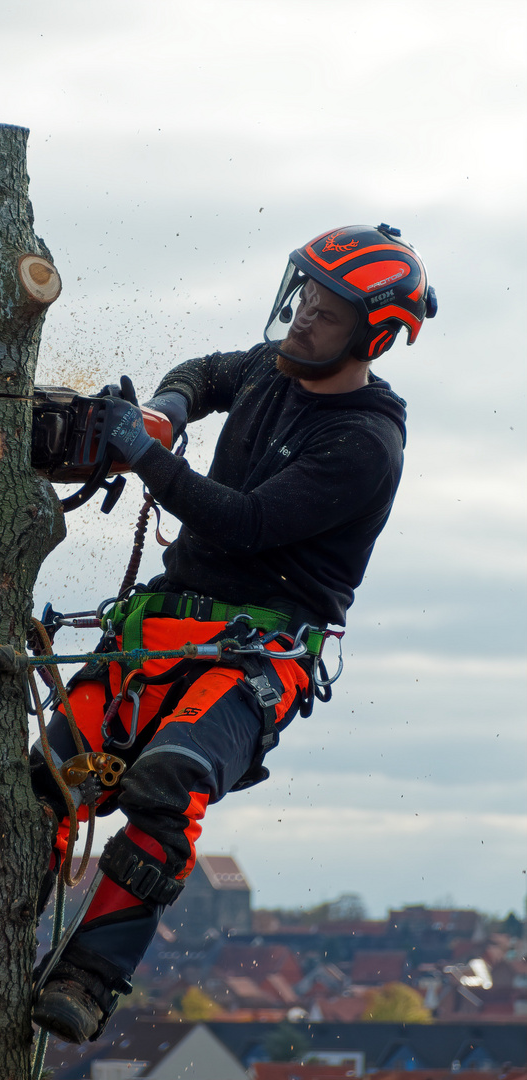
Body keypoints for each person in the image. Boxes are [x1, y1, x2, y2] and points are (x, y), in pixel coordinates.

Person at [30, 223, 437, 1044]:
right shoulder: (271, 368)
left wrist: (141, 456)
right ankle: (4, 925)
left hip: (256, 656)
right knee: (52, 774)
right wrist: (165, 414)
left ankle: (89, 976)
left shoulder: (364, 442)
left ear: (374, 335)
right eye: (306, 297)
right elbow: (205, 374)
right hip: (161, 627)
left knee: (167, 783)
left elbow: (246, 522)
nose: (304, 319)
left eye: (327, 312)